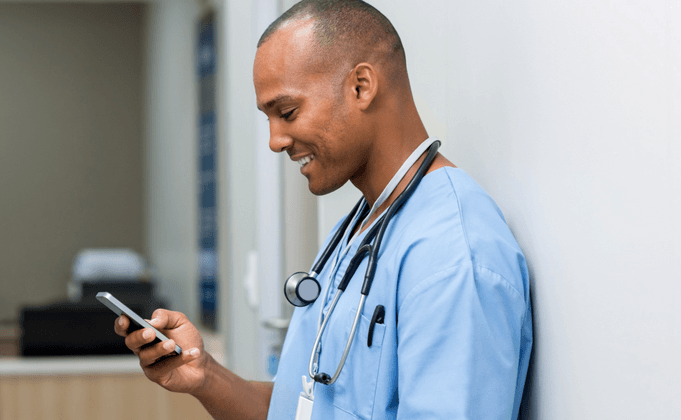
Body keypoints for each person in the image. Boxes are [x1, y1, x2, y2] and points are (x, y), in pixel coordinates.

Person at [114, 1, 532, 419]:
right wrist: (204, 375)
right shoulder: (358, 232)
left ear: (361, 86)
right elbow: (302, 410)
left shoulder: (451, 254)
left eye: (288, 112)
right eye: (269, 119)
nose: (276, 141)